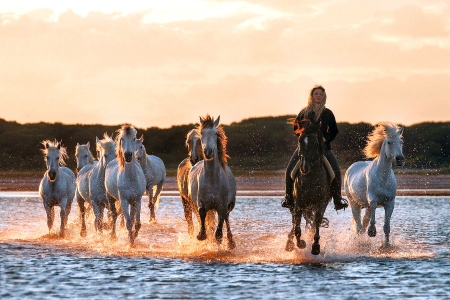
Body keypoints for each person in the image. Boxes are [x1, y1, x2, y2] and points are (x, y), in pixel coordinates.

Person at [281, 85, 348, 211]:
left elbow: (334, 130)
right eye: (316, 93)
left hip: (324, 149)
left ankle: (337, 199)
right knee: (289, 170)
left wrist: (325, 138)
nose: (318, 96)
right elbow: (296, 129)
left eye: (321, 94)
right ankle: (289, 198)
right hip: (306, 148)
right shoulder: (304, 112)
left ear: (324, 97)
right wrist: (304, 137)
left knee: (336, 172)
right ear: (312, 96)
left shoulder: (328, 113)